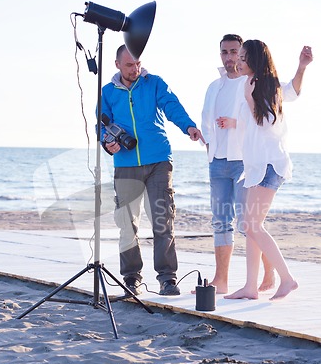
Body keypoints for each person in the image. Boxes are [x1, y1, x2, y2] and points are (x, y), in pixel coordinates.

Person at [101, 44, 205, 296]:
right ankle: (131, 278)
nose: (135, 69)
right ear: (117, 65)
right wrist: (108, 142)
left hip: (159, 160)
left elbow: (172, 105)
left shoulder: (154, 83)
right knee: (127, 224)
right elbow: (100, 124)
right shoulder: (106, 92)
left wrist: (188, 126)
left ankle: (168, 278)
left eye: (137, 64)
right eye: (129, 65)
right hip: (125, 165)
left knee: (162, 220)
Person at [222, 40, 313, 300]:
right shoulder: (248, 83)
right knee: (251, 227)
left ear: (255, 59)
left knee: (252, 225)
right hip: (255, 166)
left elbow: (267, 121)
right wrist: (234, 121)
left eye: (242, 57)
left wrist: (302, 67)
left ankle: (287, 279)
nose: (238, 61)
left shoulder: (265, 85)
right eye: (237, 57)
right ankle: (251, 287)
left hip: (269, 164)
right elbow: (252, 124)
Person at [201, 34, 275, 295]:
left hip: (244, 161)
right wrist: (208, 142)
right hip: (216, 161)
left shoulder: (251, 81)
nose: (229, 57)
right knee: (220, 221)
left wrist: (235, 124)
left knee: (249, 222)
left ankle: (268, 271)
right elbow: (205, 120)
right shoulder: (214, 86)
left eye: (234, 52)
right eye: (225, 52)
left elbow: (262, 120)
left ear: (242, 53)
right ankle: (221, 281)